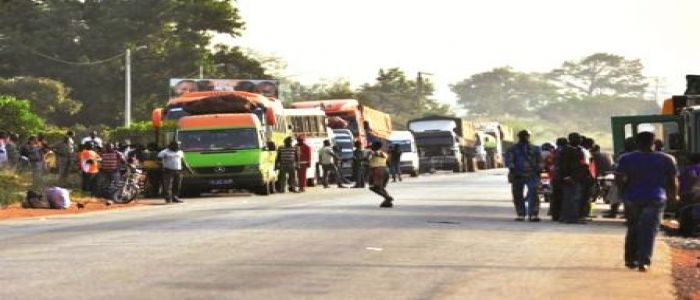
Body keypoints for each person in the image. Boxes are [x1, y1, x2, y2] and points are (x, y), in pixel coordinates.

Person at [616, 131, 678, 272]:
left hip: (632, 197)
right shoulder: (667, 159)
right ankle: (643, 261)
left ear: (636, 143)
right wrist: (674, 196)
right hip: (656, 198)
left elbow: (619, 179)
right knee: (649, 230)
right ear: (653, 142)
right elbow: (673, 181)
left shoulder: (625, 158)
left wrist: (623, 194)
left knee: (633, 228)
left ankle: (630, 259)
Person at [505, 130, 542, 222]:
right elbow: (509, 161)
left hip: (532, 174)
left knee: (534, 193)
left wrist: (538, 169)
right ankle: (521, 213)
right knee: (517, 195)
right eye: (522, 136)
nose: (524, 137)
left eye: (526, 136)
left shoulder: (535, 148)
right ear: (519, 137)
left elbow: (540, 161)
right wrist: (513, 170)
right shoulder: (513, 149)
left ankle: (533, 214)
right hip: (518, 174)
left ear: (528, 136)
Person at [557, 132, 590, 224]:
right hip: (570, 177)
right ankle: (571, 218)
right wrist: (566, 176)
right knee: (571, 198)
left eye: (579, 138)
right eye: (577, 138)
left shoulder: (580, 150)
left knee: (575, 198)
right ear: (571, 139)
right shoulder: (566, 150)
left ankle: (566, 216)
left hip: (579, 177)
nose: (580, 140)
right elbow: (562, 165)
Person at [677, 153, 700, 237]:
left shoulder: (685, 169)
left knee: (683, 209)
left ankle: (683, 227)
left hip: (685, 192)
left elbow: (679, 180)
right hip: (697, 192)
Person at [368, 141, 394, 207]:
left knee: (374, 187)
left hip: (378, 171)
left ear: (374, 147)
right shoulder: (384, 154)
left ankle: (387, 197)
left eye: (372, 147)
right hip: (385, 170)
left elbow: (368, 158)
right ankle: (387, 200)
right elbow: (388, 160)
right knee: (380, 187)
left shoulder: (372, 153)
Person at [548, 138, 568, 221]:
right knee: (565, 196)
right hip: (565, 177)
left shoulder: (554, 152)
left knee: (555, 197)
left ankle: (555, 215)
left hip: (555, 177)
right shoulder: (567, 151)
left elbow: (549, 162)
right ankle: (563, 215)